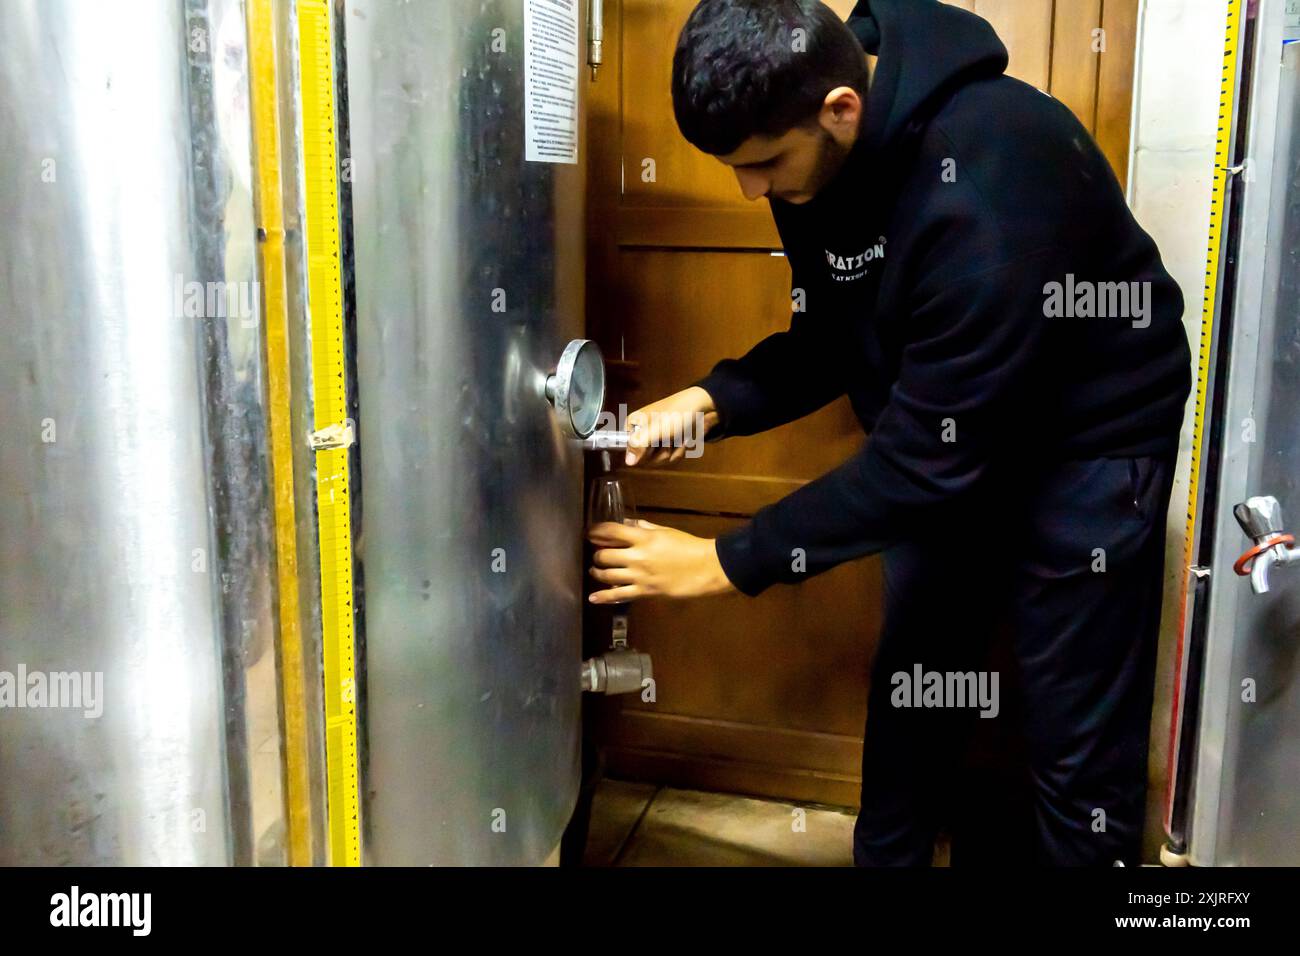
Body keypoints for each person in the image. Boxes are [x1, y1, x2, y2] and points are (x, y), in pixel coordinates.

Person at [586, 0, 1191, 866]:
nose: (748, 191)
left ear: (841, 109)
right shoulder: (814, 157)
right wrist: (710, 402)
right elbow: (839, 331)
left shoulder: (991, 183)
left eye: (761, 165)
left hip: (1086, 445)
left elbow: (921, 465)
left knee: (1073, 743)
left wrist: (724, 562)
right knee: (918, 690)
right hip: (944, 428)